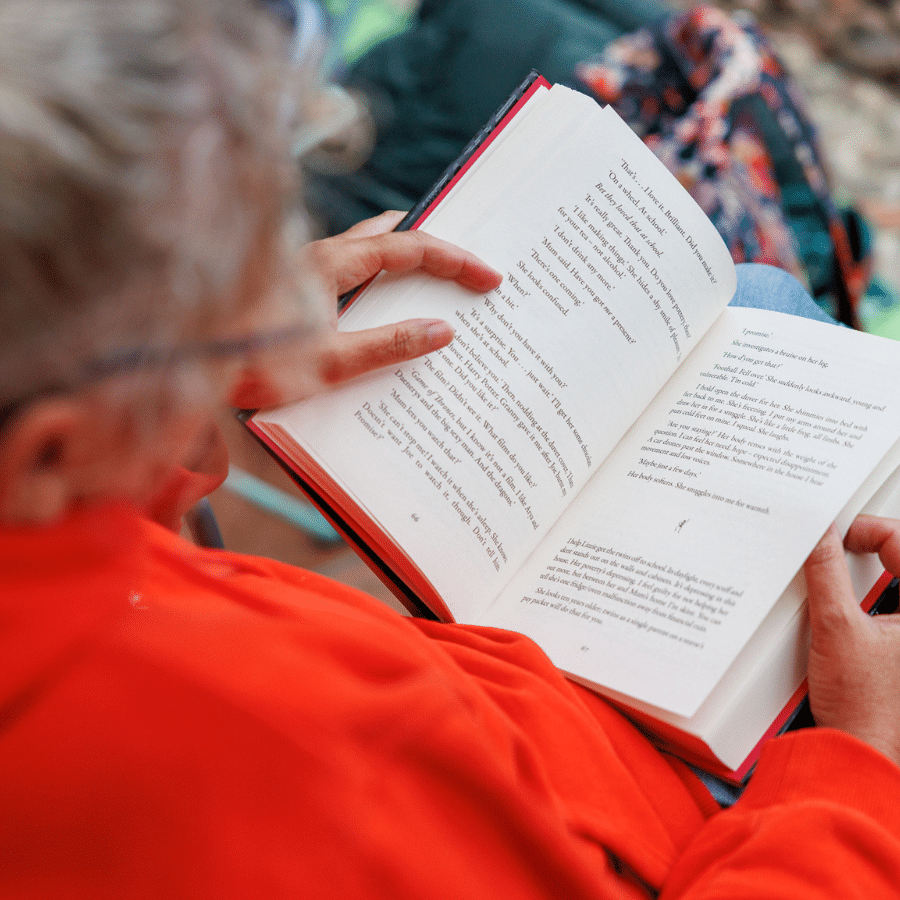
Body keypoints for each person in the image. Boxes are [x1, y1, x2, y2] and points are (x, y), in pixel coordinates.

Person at [0, 1, 898, 897]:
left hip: (484, 699)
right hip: (685, 805)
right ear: (57, 446)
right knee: (777, 322)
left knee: (756, 300)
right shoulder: (274, 766)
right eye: (217, 305)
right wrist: (859, 766)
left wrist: (200, 377)